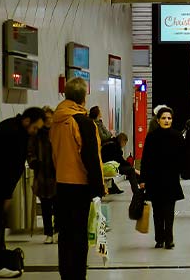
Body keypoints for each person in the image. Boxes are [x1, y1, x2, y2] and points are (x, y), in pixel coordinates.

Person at [50, 77, 106, 280]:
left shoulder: (56, 121)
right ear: (83, 97)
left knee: (65, 233)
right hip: (80, 185)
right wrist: (99, 188)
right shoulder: (83, 122)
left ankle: (66, 273)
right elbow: (91, 156)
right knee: (80, 233)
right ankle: (78, 275)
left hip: (61, 183)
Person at [0, 107, 44, 277]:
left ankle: (0, 260)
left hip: (0, 186)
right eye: (35, 128)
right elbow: (7, 168)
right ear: (27, 120)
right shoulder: (12, 134)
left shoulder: (14, 129)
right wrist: (7, 195)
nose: (35, 132)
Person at [139, 107, 184, 249]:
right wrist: (143, 179)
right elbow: (145, 159)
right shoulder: (152, 137)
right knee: (157, 212)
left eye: (169, 118)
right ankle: (159, 238)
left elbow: (182, 157)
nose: (166, 120)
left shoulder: (177, 136)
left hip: (171, 179)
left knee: (169, 212)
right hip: (155, 179)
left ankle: (169, 239)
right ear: (158, 120)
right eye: (164, 118)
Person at [27, 106, 57, 244]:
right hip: (42, 174)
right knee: (45, 206)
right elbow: (30, 151)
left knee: (58, 206)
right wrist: (34, 162)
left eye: (50, 117)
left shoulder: (57, 132)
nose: (48, 120)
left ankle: (57, 231)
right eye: (45, 118)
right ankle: (48, 233)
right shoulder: (37, 134)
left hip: (57, 173)